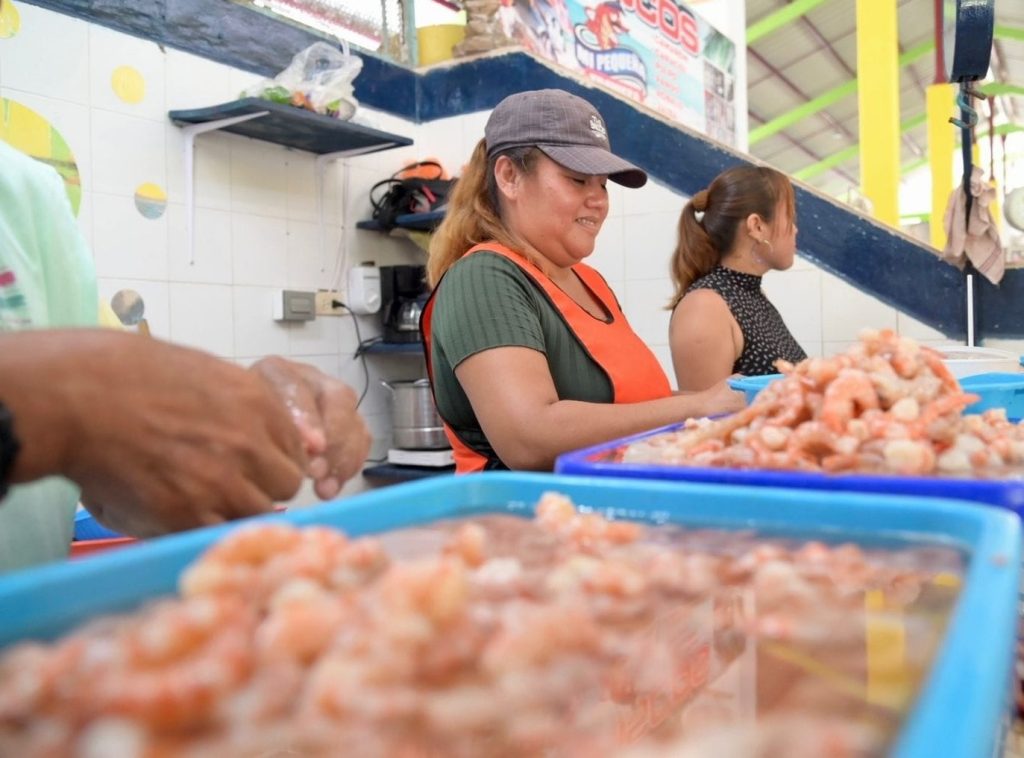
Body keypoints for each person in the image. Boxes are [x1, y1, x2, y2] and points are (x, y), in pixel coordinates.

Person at [0, 137, 370, 571]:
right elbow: (80, 396)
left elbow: (117, 472)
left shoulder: (26, 191)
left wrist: (243, 415)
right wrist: (60, 401)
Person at [422, 88, 744, 473]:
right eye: (577, 179)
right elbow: (528, 437)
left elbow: (631, 406)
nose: (599, 200)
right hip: (533, 521)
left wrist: (724, 401)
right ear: (509, 177)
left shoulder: (590, 283)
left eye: (603, 184)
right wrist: (699, 405)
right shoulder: (484, 278)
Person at [667, 165, 806, 393]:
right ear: (757, 226)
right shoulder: (704, 307)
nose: (795, 230)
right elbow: (705, 421)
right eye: (790, 217)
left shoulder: (752, 295)